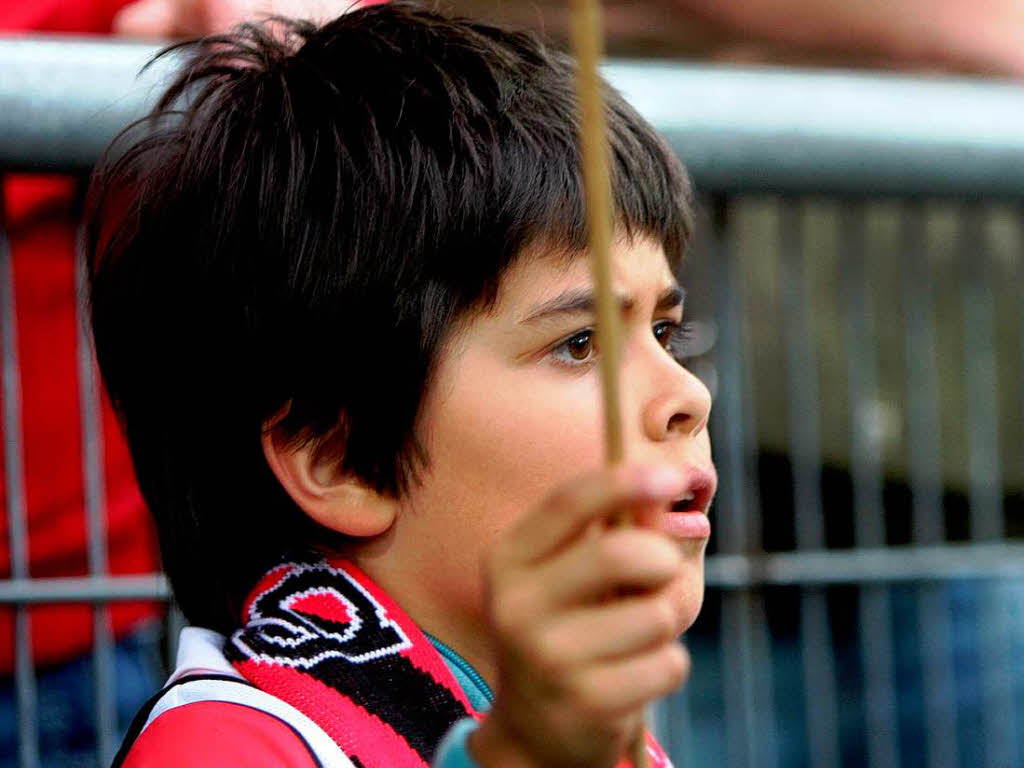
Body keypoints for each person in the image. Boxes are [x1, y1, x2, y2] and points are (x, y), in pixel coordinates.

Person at [86, 2, 715, 766]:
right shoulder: (223, 747)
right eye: (578, 344)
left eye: (663, 333)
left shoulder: (600, 740)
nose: (688, 394)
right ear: (338, 456)